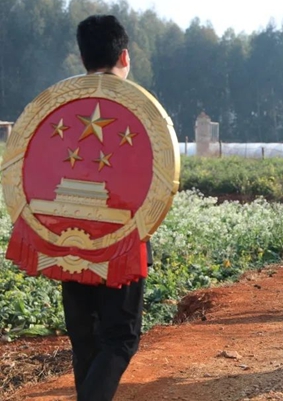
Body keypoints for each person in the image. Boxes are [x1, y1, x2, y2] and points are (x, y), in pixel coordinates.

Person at [61, 15, 153, 400]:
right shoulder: (141, 110)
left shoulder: (60, 106)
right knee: (119, 338)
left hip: (67, 236)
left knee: (86, 342)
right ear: (125, 56)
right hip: (123, 240)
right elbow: (158, 181)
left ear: (82, 58)